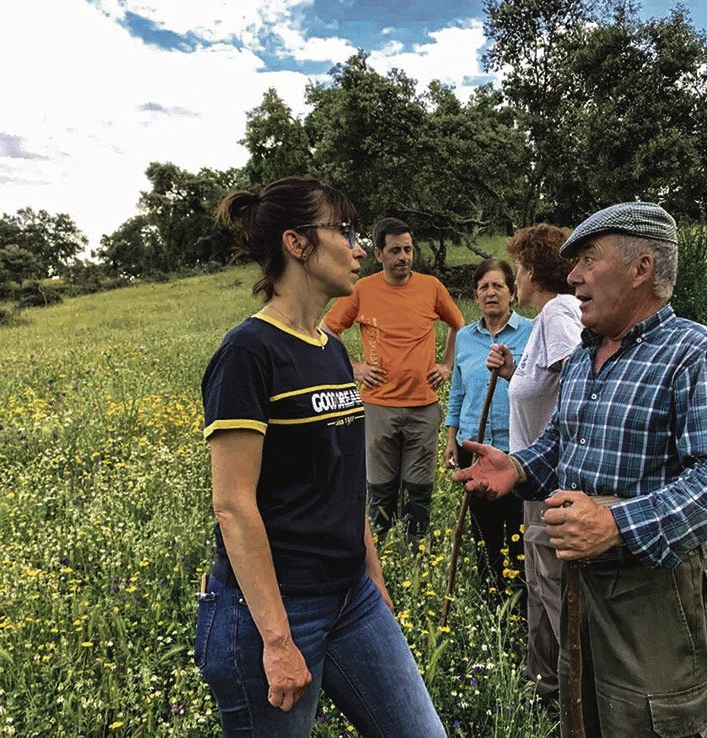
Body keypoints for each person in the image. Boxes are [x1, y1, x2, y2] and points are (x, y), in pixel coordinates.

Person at [453, 202, 707, 738]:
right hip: (577, 583)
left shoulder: (696, 352)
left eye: (588, 260)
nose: (572, 276)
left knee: (650, 724)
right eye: (573, 264)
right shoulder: (584, 354)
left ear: (641, 268)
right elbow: (561, 447)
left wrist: (614, 524)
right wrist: (518, 469)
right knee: (582, 716)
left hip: (650, 593)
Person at [198, 177, 446, 737]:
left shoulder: (331, 348)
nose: (359, 249)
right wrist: (278, 640)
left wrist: (373, 579)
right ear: (298, 243)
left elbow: (343, 481)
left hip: (351, 596)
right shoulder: (248, 352)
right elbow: (233, 505)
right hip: (275, 613)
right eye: (345, 231)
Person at [484, 224, 583, 704]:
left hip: (550, 484)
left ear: (531, 271)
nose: (515, 279)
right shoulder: (549, 319)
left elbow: (581, 376)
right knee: (541, 596)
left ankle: (581, 701)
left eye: (518, 269)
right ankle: (545, 696)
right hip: (534, 486)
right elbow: (547, 386)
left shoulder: (559, 311)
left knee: (555, 598)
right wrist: (511, 372)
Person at [321, 217, 464, 544]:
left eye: (408, 249)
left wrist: (446, 364)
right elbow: (328, 329)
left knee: (419, 489)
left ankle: (417, 551)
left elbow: (459, 325)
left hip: (423, 405)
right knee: (380, 488)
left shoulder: (431, 287)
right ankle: (381, 553)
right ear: (378, 254)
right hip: (377, 406)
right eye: (396, 250)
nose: (404, 257)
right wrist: (354, 367)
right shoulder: (362, 289)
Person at [443, 258, 532, 600]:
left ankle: (523, 598)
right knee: (484, 527)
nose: (490, 293)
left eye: (498, 286)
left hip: (517, 447)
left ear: (512, 293)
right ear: (475, 296)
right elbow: (458, 391)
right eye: (483, 287)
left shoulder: (532, 331)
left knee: (519, 525)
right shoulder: (465, 337)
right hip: (475, 445)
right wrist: (452, 437)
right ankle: (491, 595)